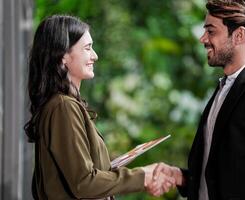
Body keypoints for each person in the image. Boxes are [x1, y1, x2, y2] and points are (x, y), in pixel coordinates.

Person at [154, 0, 245, 199]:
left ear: (239, 35)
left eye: (211, 31)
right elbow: (224, 175)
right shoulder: (224, 87)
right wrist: (181, 177)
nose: (202, 38)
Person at [24, 15, 174, 200]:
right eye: (87, 48)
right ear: (63, 56)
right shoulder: (63, 107)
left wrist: (109, 169)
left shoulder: (63, 105)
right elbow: (83, 183)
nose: (95, 55)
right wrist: (142, 176)